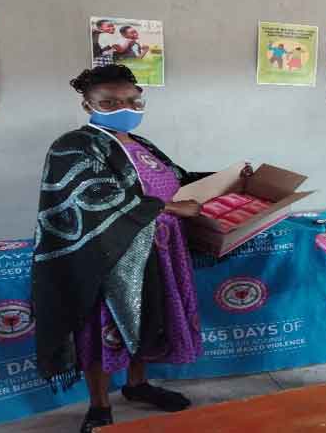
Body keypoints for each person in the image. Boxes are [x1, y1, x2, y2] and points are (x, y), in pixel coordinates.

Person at [31, 65, 252, 433]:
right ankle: (99, 405)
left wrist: (229, 178)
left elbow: (177, 179)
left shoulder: (141, 144)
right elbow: (93, 195)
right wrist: (169, 208)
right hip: (106, 255)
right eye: (111, 102)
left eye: (134, 100)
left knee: (149, 316)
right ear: (88, 105)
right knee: (103, 325)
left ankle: (137, 385)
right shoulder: (74, 145)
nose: (126, 107)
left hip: (159, 250)